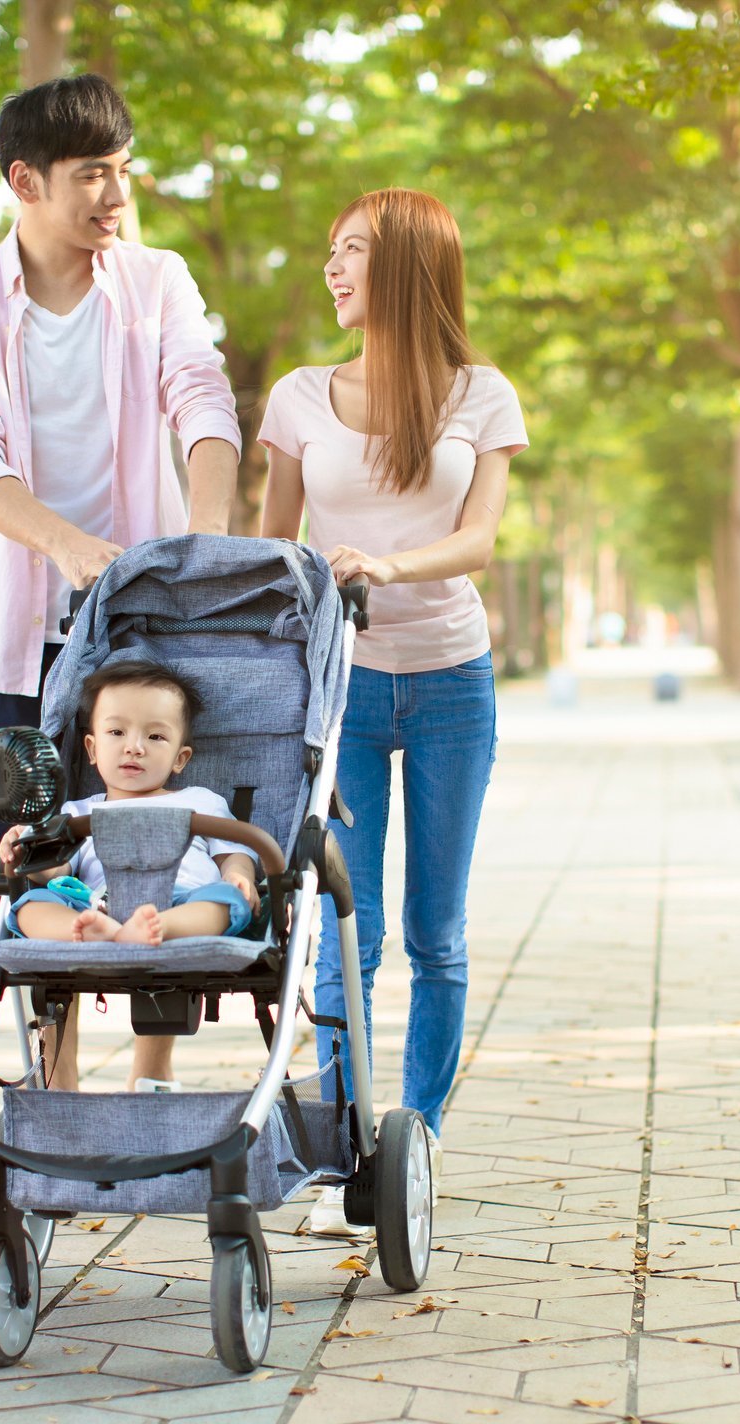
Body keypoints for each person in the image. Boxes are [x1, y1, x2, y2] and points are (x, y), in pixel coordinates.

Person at [0, 74, 241, 1092]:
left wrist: (209, 546)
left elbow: (201, 397)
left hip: (139, 639)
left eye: (121, 167)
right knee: (28, 868)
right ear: (25, 180)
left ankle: (150, 1084)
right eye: (92, 173)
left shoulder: (155, 281)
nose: (116, 191)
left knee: (160, 852)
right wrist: (60, 543)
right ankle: (53, 1093)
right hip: (14, 641)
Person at [256, 189, 526, 1235]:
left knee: (435, 930)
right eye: (328, 252)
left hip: (453, 676)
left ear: (408, 264)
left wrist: (386, 561)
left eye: (353, 253)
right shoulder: (296, 397)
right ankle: (346, 1158)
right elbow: (275, 544)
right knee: (342, 929)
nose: (332, 270)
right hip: (343, 690)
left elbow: (478, 539)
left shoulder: (480, 394)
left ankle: (418, 1143)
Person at [0, 663, 259, 1091]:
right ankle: (86, 933)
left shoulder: (199, 800)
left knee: (226, 902)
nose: (134, 747)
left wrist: (238, 876)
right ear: (93, 747)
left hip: (180, 903)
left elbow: (236, 850)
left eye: (155, 737)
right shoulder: (78, 813)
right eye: (116, 733)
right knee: (29, 906)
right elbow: (55, 871)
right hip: (97, 905)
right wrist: (24, 848)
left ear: (180, 758)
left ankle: (155, 929)